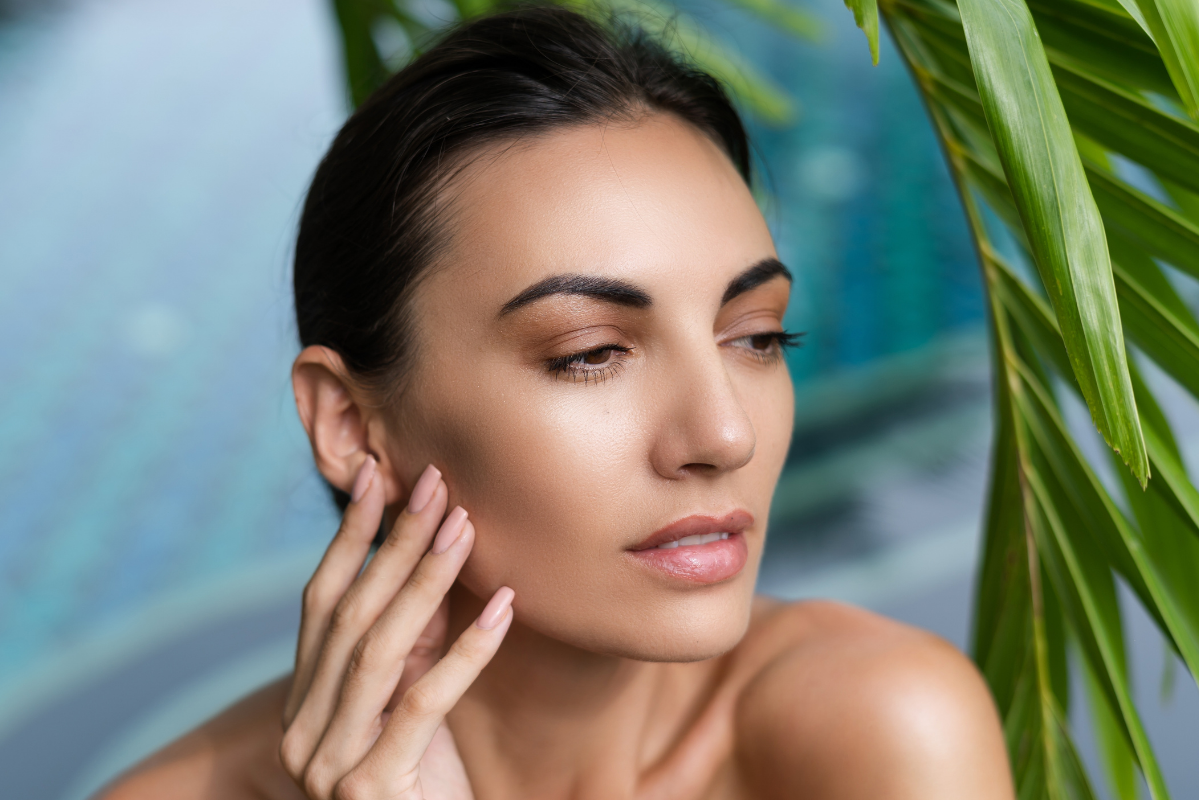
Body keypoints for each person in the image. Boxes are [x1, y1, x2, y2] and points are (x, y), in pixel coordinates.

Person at [99, 5, 1013, 798]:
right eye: (592, 354)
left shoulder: (881, 730)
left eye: (757, 338)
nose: (723, 433)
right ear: (350, 424)